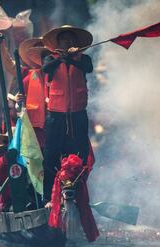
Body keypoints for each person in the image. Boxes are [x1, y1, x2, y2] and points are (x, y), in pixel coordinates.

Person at [40, 26, 94, 205]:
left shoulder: (83, 58)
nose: (67, 42)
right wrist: (62, 58)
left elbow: (88, 68)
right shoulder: (50, 58)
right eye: (64, 40)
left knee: (79, 153)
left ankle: (75, 192)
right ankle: (48, 196)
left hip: (78, 115)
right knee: (50, 154)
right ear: (58, 43)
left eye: (70, 40)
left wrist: (71, 58)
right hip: (56, 116)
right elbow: (46, 69)